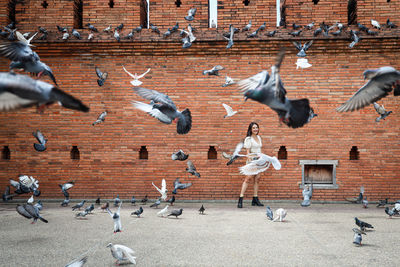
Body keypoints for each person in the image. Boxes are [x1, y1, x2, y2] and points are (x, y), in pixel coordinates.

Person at [238, 122, 264, 208]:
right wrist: (251, 161)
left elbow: (259, 149)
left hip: (259, 161)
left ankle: (255, 199)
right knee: (248, 178)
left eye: (257, 127)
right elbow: (248, 153)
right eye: (254, 128)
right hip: (252, 161)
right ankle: (241, 198)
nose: (256, 129)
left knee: (257, 179)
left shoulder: (259, 137)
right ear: (250, 129)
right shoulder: (248, 139)